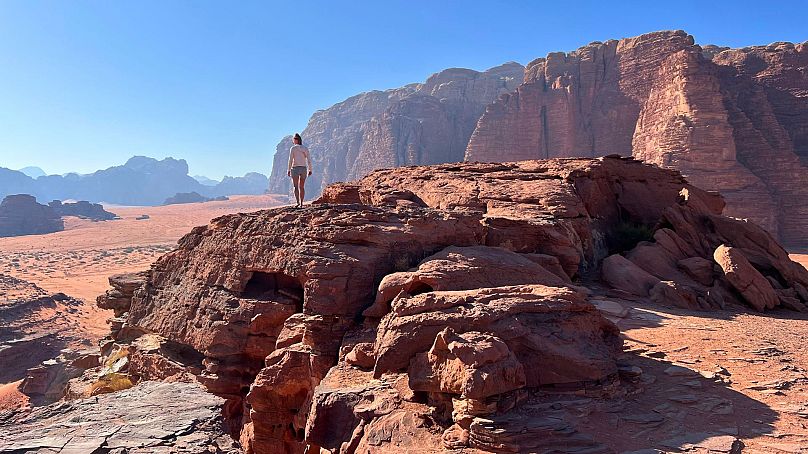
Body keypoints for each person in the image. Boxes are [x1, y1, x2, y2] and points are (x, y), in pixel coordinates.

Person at [287, 133, 312, 208]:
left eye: (293, 139)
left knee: (295, 186)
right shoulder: (305, 148)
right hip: (304, 168)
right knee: (302, 187)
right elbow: (309, 160)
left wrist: (288, 169)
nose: (293, 141)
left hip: (295, 168)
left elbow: (290, 160)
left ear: (296, 140)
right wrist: (310, 169)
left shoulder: (293, 148)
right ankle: (301, 203)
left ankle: (297, 202)